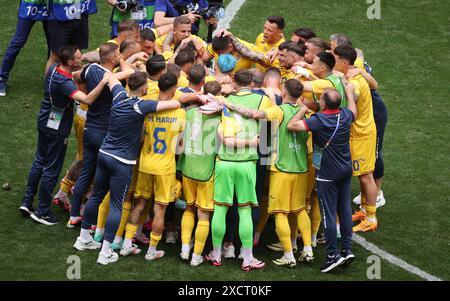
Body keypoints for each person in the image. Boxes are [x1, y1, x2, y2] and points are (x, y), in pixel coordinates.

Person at [73, 71, 181, 265]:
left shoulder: (119, 95)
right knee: (116, 204)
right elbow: (175, 104)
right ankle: (105, 252)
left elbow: (111, 79)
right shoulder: (142, 106)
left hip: (104, 154)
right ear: (144, 89)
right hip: (121, 163)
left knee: (96, 195)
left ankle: (83, 239)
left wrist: (117, 73)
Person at [225, 79, 314, 267]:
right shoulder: (304, 113)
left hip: (281, 169)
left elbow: (255, 114)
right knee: (299, 210)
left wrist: (229, 103)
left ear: (284, 91)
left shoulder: (278, 111)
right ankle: (307, 249)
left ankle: (288, 255)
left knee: (280, 212)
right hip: (301, 169)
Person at [19, 45, 108, 225]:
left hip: (46, 117)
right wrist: (104, 80)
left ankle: (27, 202)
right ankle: (42, 211)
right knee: (52, 168)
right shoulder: (65, 83)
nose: (81, 58)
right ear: (70, 62)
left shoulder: (54, 69)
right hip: (57, 126)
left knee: (39, 161)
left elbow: (73, 66)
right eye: (78, 57)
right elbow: (88, 99)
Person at [287, 86, 358, 273]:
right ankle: (347, 249)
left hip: (328, 175)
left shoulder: (319, 120)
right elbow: (354, 112)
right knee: (344, 210)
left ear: (324, 103)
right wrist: (350, 94)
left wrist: (302, 109)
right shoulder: (344, 115)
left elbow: (292, 126)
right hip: (345, 169)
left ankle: (332, 255)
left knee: (328, 214)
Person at [206, 69, 271, 271]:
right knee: (245, 210)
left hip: (224, 161)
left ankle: (216, 254)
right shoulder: (263, 101)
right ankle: (247, 257)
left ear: (234, 83)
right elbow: (270, 123)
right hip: (247, 163)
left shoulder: (223, 99)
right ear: (252, 83)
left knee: (220, 209)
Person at [67, 43, 134, 228]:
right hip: (105, 133)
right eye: (118, 55)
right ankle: (92, 220)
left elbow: (77, 77)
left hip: (90, 129)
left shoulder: (89, 70)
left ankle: (73, 215)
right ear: (113, 59)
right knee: (100, 179)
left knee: (86, 171)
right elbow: (128, 72)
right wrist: (123, 59)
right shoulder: (113, 79)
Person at [132, 73, 186, 260]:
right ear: (172, 90)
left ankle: (126, 244)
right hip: (165, 167)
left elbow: (140, 137)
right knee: (160, 209)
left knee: (139, 204)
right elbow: (181, 146)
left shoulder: (149, 107)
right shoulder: (180, 113)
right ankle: (152, 251)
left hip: (146, 164)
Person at [333, 45, 378, 232]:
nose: (333, 62)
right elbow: (358, 51)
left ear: (344, 62)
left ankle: (372, 218)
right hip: (359, 133)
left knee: (366, 176)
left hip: (361, 134)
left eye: (335, 59)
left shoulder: (355, 84)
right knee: (361, 175)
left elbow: (353, 100)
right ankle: (364, 211)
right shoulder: (354, 68)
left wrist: (346, 86)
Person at [177, 80, 222, 266]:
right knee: (203, 214)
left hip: (188, 168)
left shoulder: (188, 113)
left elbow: (178, 144)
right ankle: (197, 255)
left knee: (189, 208)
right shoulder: (221, 118)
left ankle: (185, 248)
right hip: (207, 171)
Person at [0, 0, 50, 97]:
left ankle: (51, 80)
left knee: (54, 44)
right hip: (30, 4)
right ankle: (2, 77)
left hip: (50, 5)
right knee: (18, 42)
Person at [45, 0, 97, 73]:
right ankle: (49, 83)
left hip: (80, 11)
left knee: (76, 53)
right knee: (56, 55)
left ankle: (74, 83)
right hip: (60, 14)